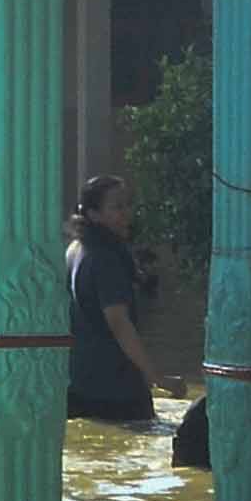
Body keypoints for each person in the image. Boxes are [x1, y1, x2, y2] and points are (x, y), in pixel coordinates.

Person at [66, 175, 159, 425]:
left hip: (77, 383)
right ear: (94, 214)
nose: (127, 213)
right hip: (117, 389)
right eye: (117, 207)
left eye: (128, 205)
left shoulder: (75, 249)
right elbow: (118, 321)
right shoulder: (105, 257)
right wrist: (154, 376)